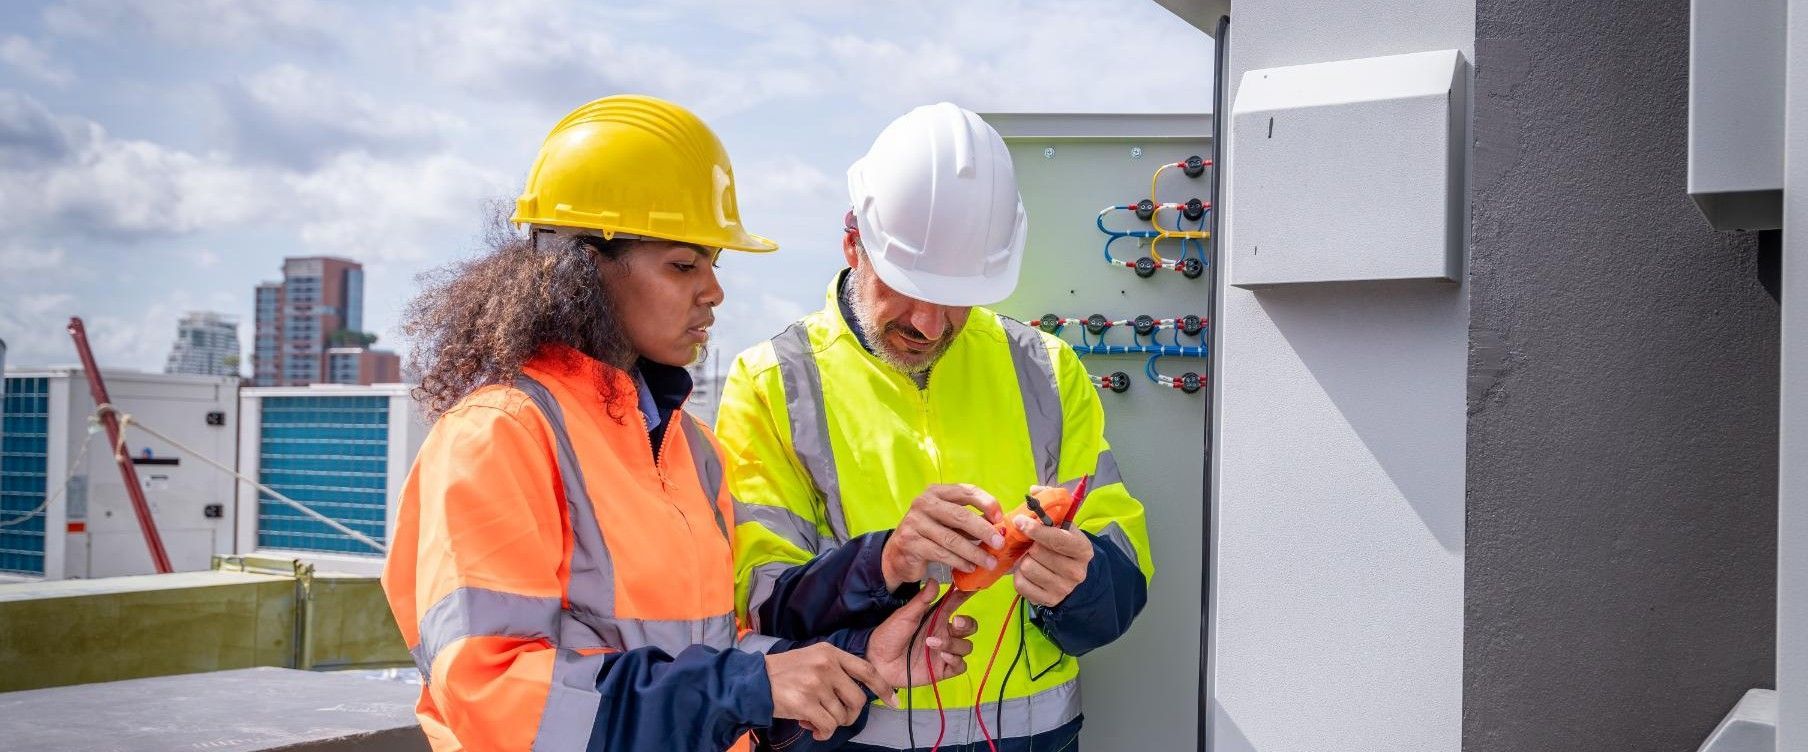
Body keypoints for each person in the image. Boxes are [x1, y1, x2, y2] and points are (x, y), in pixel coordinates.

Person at [381, 94, 975, 752]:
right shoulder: (498, 435)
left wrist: (862, 663)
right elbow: (492, 696)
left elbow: (715, 653)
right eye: (684, 264)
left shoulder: (690, 447)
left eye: (712, 265)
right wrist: (744, 687)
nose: (714, 290)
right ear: (581, 267)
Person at [720, 102, 1155, 751]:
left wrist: (1081, 585)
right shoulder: (772, 381)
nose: (929, 325)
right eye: (906, 287)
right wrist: (888, 562)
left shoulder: (1044, 368)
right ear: (852, 241)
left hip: (1034, 738)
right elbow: (764, 607)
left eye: (955, 296)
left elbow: (1123, 567)